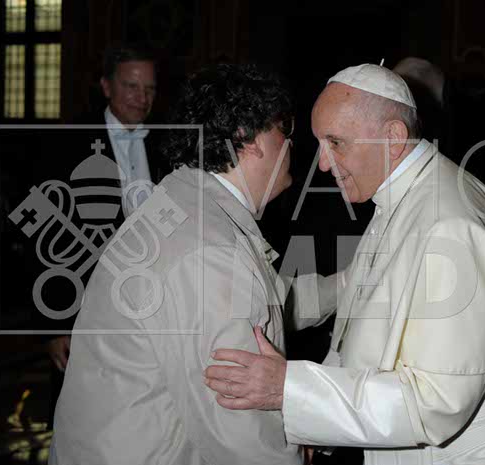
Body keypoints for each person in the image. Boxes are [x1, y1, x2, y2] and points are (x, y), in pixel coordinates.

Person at [204, 64, 485, 464]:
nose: (323, 164)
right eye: (320, 143)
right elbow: (354, 314)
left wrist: (290, 389)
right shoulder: (401, 194)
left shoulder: (449, 226)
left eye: (336, 142)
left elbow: (435, 403)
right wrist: (315, 420)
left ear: (392, 137)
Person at [49, 64, 311, 464]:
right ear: (249, 138)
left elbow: (272, 303)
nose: (291, 144)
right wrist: (292, 450)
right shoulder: (209, 249)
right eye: (284, 128)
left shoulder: (182, 203)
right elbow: (240, 434)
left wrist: (348, 286)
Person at [45, 44, 169, 419]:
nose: (142, 98)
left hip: (153, 308)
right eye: (131, 86)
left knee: (143, 416)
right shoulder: (68, 144)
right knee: (83, 415)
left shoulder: (169, 142)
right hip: (87, 305)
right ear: (106, 86)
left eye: (149, 88)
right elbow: (50, 237)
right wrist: (55, 324)